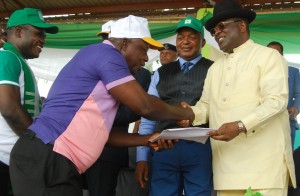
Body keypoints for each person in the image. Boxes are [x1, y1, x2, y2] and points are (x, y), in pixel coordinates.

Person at [9, 15, 195, 196]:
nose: (146, 58)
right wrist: (183, 112)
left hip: (56, 160)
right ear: (124, 44)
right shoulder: (105, 53)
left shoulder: (104, 73)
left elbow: (105, 136)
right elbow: (144, 105)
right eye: (144, 49)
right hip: (48, 156)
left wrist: (148, 139)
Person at [181, 0, 296, 195]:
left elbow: (276, 101)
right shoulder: (215, 68)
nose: (216, 33)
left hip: (264, 166)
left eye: (221, 27)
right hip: (226, 169)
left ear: (242, 25)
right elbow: (205, 106)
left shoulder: (268, 56)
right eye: (213, 31)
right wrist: (188, 114)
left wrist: (240, 125)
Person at [136, 16, 213, 196]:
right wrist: (142, 158)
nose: (185, 42)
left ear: (202, 42)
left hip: (200, 147)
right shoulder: (160, 73)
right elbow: (148, 114)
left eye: (192, 37)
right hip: (164, 147)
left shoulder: (215, 69)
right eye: (180, 37)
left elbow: (222, 109)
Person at [85, 20, 152, 196]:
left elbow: (134, 110)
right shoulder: (92, 67)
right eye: (105, 39)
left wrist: (96, 114)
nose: (107, 44)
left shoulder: (140, 73)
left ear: (122, 43)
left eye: (110, 39)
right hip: (82, 146)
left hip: (108, 152)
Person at [0, 8, 58, 196]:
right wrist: (38, 142)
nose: (43, 39)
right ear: (18, 32)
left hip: (15, 159)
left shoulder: (17, 60)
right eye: (38, 33)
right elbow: (9, 108)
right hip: (6, 159)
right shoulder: (7, 57)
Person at [267, 41, 300, 151]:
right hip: (266, 122)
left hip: (288, 120)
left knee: (286, 156)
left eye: (276, 52)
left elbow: (298, 93)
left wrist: (296, 107)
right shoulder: (260, 72)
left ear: (282, 55)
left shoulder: (294, 72)